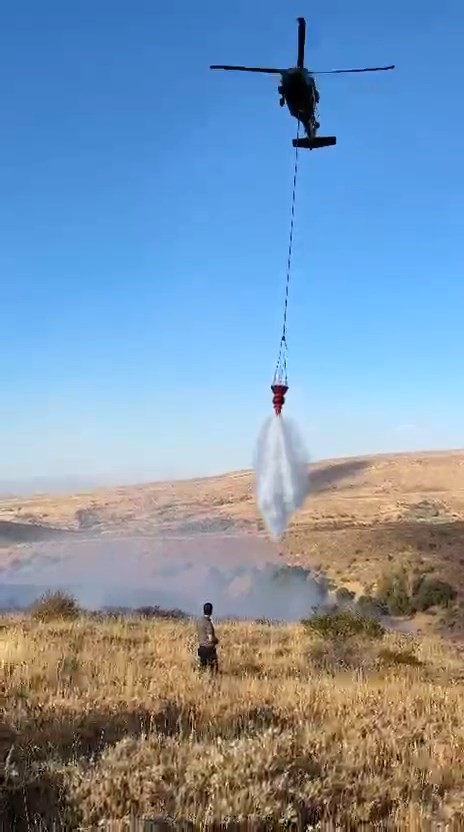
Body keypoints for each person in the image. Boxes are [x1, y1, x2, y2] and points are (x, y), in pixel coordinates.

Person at [196, 601, 219, 674]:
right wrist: (216, 640)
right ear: (211, 611)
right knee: (213, 669)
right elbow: (210, 638)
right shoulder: (208, 624)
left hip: (201, 647)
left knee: (202, 668)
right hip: (209, 649)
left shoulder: (199, 621)